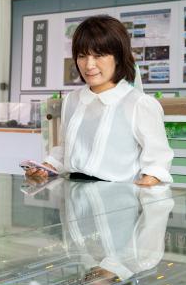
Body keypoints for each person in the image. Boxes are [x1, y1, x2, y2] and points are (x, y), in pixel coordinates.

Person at [27, 14, 172, 185]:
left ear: (118, 57)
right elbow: (66, 149)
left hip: (117, 197)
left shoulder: (139, 104)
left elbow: (158, 162)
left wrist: (142, 188)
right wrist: (46, 167)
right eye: (82, 56)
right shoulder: (71, 100)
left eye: (98, 55)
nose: (89, 65)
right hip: (73, 194)